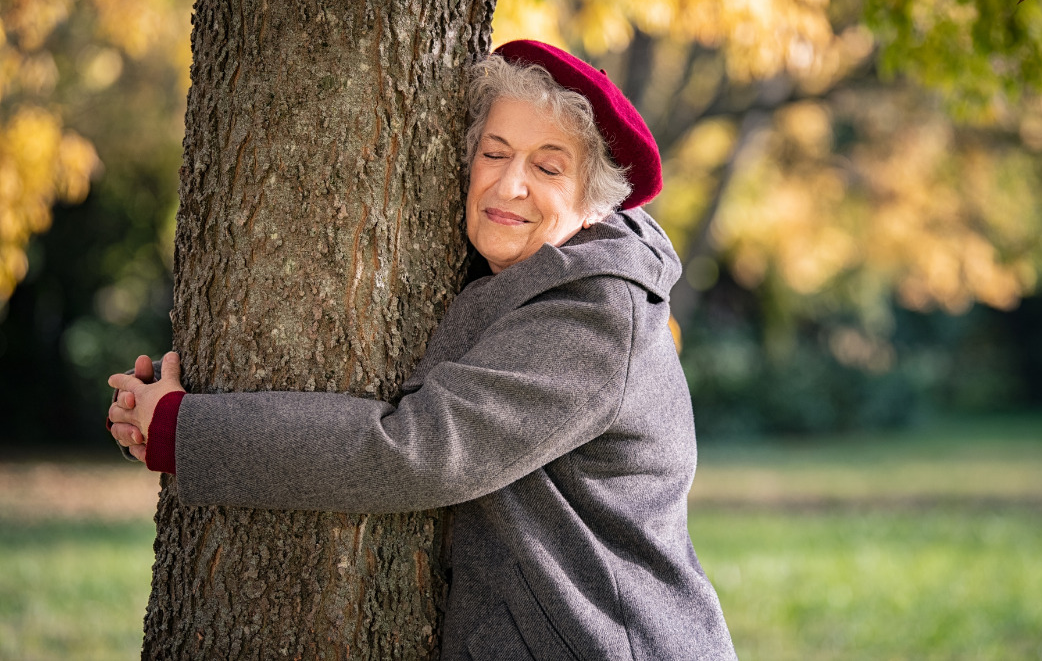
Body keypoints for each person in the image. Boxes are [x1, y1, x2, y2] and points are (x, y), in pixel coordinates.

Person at [108, 39, 738, 660]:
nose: (510, 185)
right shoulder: (537, 272)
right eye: (495, 153)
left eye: (548, 168)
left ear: (593, 203)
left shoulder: (592, 318)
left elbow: (416, 452)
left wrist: (184, 428)